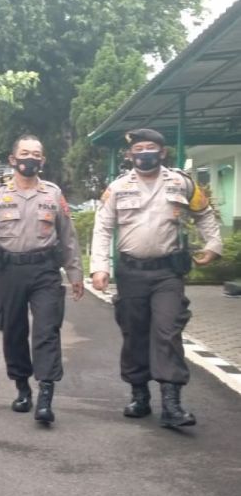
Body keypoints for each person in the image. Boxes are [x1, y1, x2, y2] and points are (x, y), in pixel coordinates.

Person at [90, 128, 222, 428]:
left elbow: (204, 213)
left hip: (167, 273)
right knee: (134, 333)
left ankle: (172, 404)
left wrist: (213, 245)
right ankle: (139, 395)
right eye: (139, 148)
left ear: (162, 153)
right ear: (129, 154)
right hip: (131, 273)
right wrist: (100, 266)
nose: (144, 153)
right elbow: (102, 228)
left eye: (151, 148)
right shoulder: (118, 188)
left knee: (167, 331)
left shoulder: (182, 182)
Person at [0, 135, 83, 425]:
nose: (30, 158)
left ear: (42, 161)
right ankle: (22, 387)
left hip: (45, 270)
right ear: (12, 159)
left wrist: (75, 273)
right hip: (9, 271)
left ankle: (45, 394)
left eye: (36, 154)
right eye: (25, 153)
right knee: (14, 330)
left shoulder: (53, 194)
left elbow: (68, 236)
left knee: (46, 330)